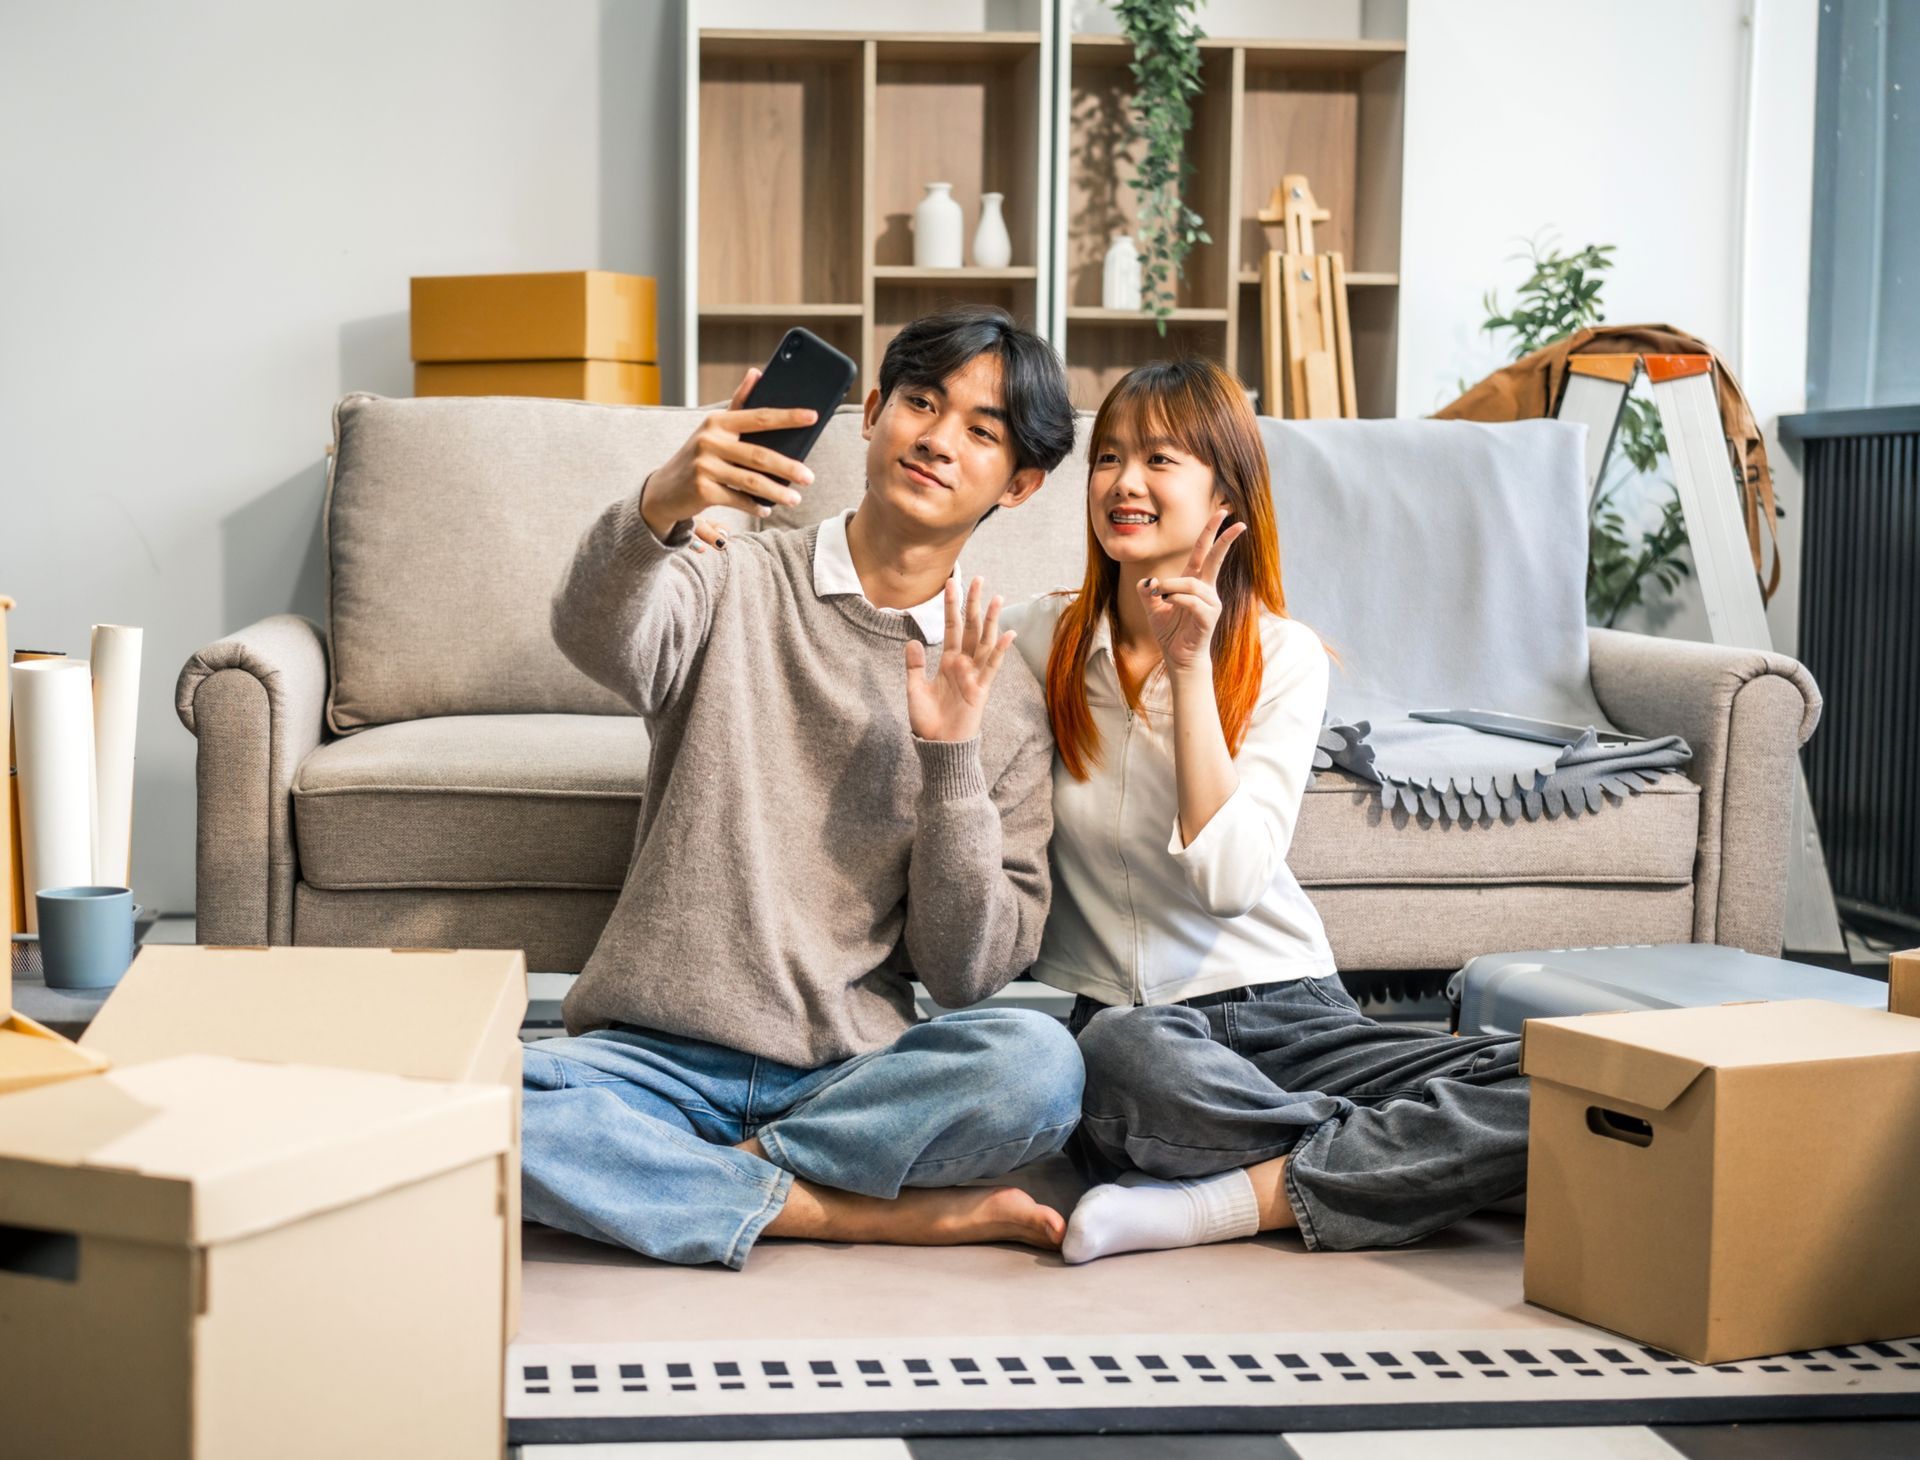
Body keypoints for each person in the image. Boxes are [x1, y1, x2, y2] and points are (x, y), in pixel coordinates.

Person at [525, 306, 1085, 1269]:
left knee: (1041, 1068)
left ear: (1021, 485)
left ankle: (696, 1184)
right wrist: (661, 502)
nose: (937, 439)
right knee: (482, 1111)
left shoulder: (1006, 698)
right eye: (920, 402)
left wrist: (950, 758)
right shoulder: (729, 575)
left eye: (981, 432)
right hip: (651, 1057)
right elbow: (592, 636)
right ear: (871, 413)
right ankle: (834, 1208)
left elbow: (967, 973)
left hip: (847, 1075)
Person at [1005, 357, 1529, 1263]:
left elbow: (1231, 882)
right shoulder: (1038, 640)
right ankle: (1407, 1153)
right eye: (1110, 457)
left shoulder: (1283, 657)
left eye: (1161, 459)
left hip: (1290, 1014)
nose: (1125, 482)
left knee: (1556, 1082)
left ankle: (1225, 1201)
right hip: (1144, 1039)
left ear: (1225, 496)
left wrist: (1188, 667)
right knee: (1118, 1064)